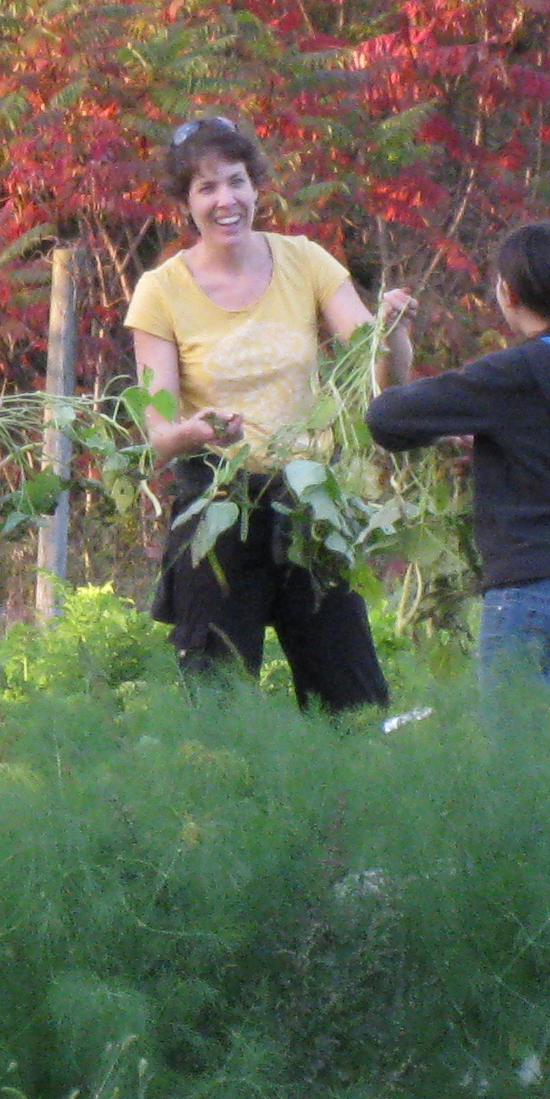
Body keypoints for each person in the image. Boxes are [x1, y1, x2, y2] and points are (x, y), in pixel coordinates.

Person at [125, 114, 414, 709]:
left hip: (311, 509)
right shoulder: (160, 291)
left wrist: (395, 333)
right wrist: (194, 431)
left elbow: (377, 378)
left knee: (354, 703)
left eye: (236, 182)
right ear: (185, 203)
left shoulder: (306, 261)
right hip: (217, 509)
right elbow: (156, 434)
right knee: (220, 709)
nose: (226, 200)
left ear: (257, 186)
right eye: (206, 188)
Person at [365, 219, 550, 697]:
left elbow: (387, 418)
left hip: (529, 592)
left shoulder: (522, 369)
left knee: (512, 764)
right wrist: (498, 438)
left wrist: (393, 339)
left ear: (507, 292)